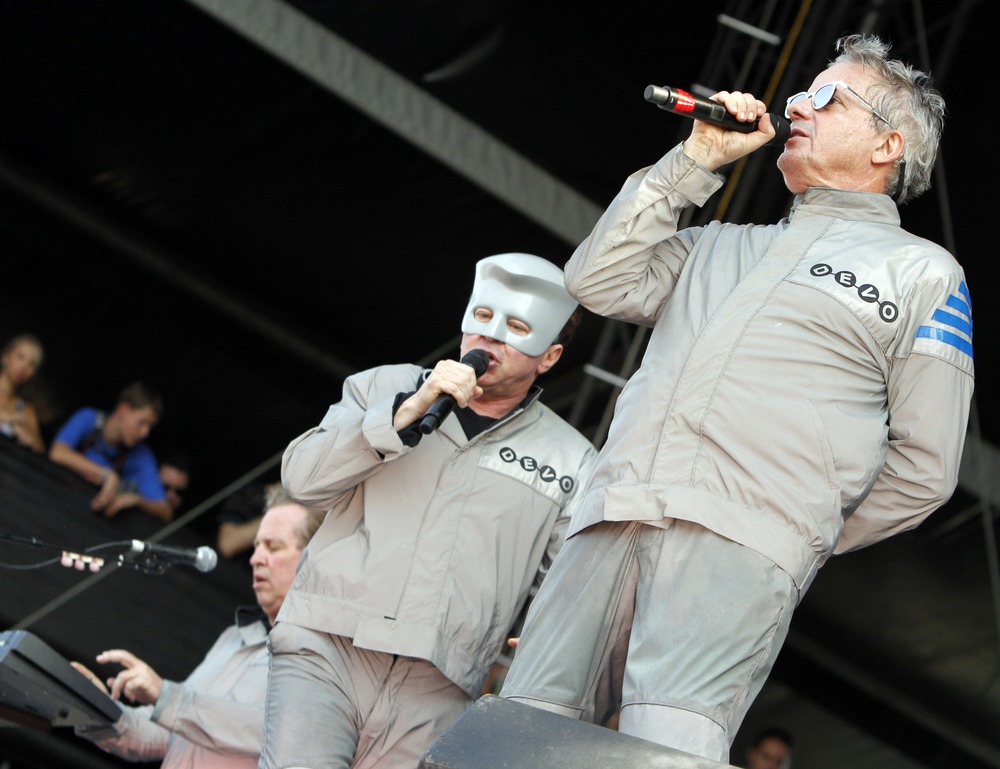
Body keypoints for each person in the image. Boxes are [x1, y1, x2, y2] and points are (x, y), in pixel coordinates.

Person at [499, 34, 974, 764]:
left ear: (886, 146)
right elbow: (596, 281)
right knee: (519, 742)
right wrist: (693, 163)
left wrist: (792, 530)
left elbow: (926, 467)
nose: (796, 106)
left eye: (826, 96)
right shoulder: (719, 245)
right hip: (608, 519)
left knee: (667, 748)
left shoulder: (922, 273)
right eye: (798, 94)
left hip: (739, 553)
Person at [260, 253, 597, 769]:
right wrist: (402, 414)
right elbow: (302, 480)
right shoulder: (382, 386)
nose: (490, 339)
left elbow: (567, 590)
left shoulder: (571, 459)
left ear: (548, 356)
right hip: (326, 645)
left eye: (517, 329)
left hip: (439, 684)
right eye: (482, 319)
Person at [72, 483, 324, 768]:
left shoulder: (324, 657)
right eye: (256, 546)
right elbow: (165, 734)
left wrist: (165, 696)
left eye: (273, 547)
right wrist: (93, 707)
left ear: (313, 559)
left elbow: (269, 731)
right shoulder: (234, 637)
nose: (255, 559)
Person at [49, 381, 173, 521]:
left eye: (150, 427)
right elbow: (57, 452)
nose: (145, 433)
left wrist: (137, 500)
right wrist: (107, 475)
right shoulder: (89, 418)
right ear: (123, 410)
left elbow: (165, 511)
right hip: (56, 503)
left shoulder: (141, 454)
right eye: (142, 422)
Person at [0, 333, 45, 452]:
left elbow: (40, 453)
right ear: (6, 356)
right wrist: (7, 418)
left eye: (32, 364)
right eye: (20, 357)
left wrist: (26, 435)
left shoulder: (26, 410)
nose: (24, 367)